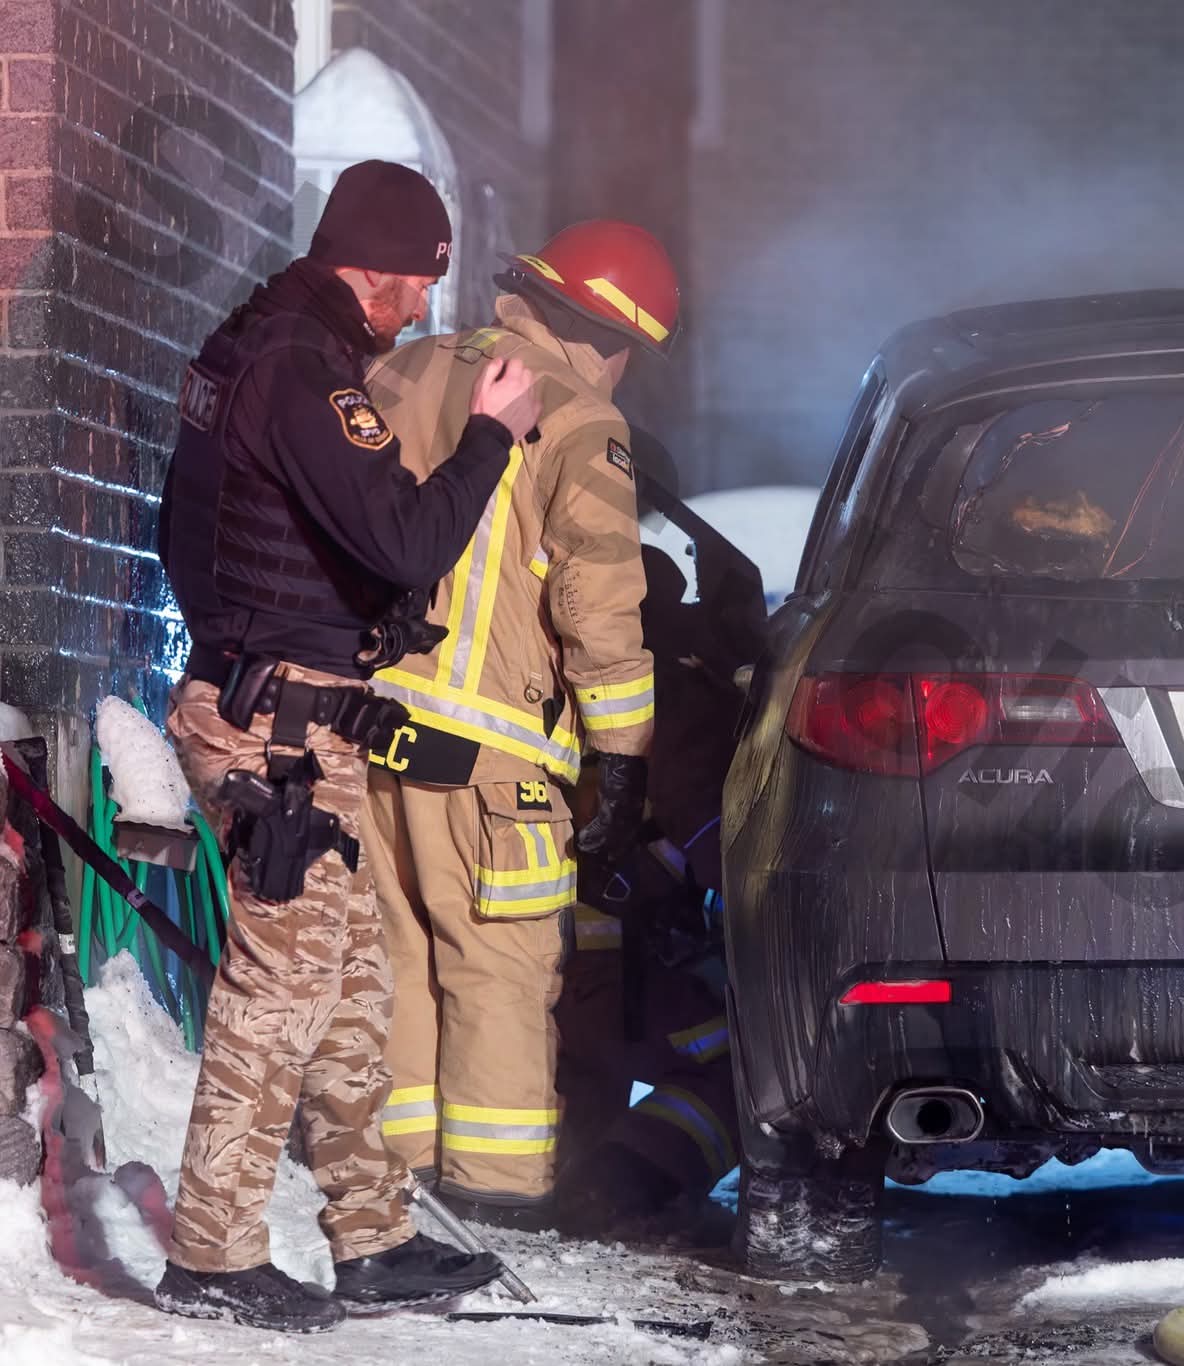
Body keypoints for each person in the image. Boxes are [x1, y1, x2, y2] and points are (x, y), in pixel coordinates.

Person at [153, 159, 542, 1332]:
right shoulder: (300, 367)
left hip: (285, 713)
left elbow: (218, 534)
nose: (419, 311)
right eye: (415, 287)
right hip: (278, 735)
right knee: (277, 997)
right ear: (372, 270)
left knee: (351, 990)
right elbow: (409, 537)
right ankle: (212, 1257)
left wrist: (324, 626)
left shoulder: (262, 349)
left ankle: (372, 1237)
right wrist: (491, 437)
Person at [358, 220, 679, 1226]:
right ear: (610, 335)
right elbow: (600, 606)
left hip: (366, 736)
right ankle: (495, 1202)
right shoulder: (581, 416)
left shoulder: (402, 370)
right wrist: (621, 763)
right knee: (499, 974)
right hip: (492, 766)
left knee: (400, 963)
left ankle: (400, 1198)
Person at [551, 488, 768, 1235]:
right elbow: (712, 835)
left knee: (572, 1077)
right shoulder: (675, 687)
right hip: (614, 954)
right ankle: (619, 1185)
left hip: (542, 932)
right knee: (744, 1070)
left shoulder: (551, 660)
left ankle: (555, 1183)